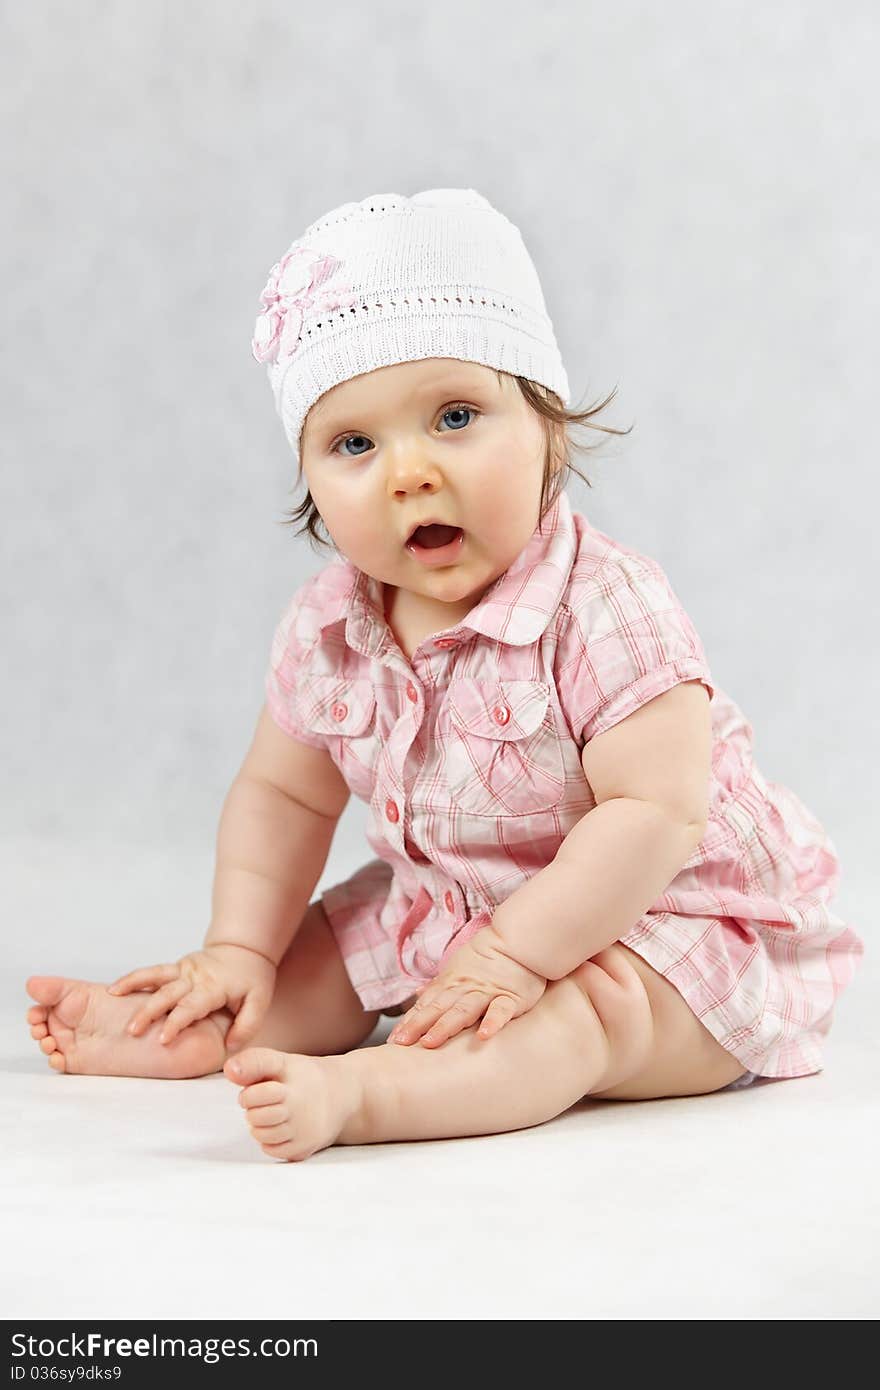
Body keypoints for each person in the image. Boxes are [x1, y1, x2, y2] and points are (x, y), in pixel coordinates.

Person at [25, 188, 864, 1161]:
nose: (408, 471)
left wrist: (515, 957)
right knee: (308, 968)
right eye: (353, 444)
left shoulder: (602, 604)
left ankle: (375, 1097)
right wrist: (239, 949)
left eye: (455, 416)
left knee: (585, 1017)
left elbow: (653, 815)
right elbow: (282, 799)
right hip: (458, 902)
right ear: (309, 479)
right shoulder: (329, 626)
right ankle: (211, 1023)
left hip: (662, 918)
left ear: (546, 423)